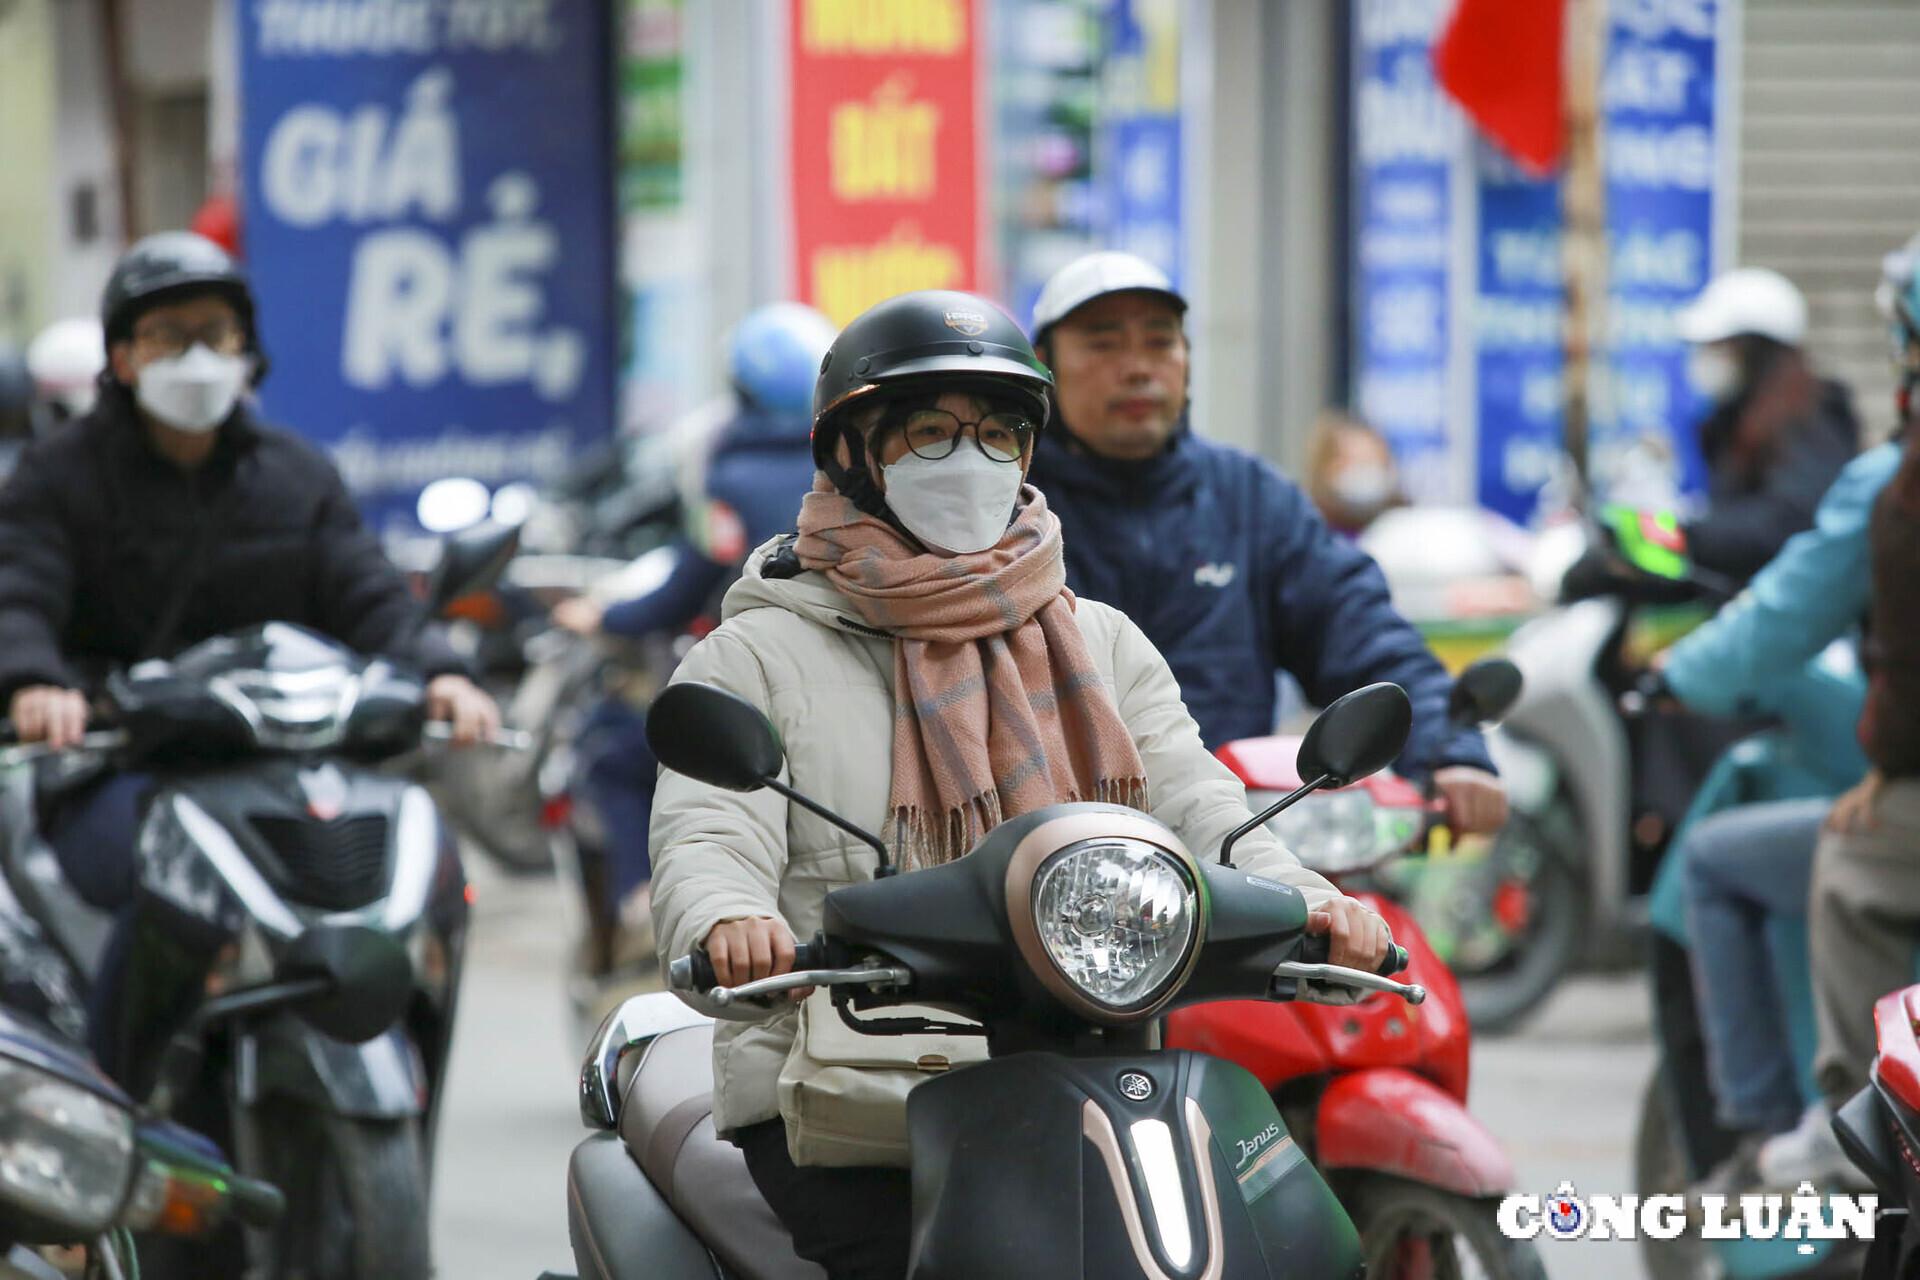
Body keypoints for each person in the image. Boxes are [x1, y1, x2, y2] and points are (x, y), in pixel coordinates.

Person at [650, 289, 1391, 1279]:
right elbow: (710, 833)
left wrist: (1314, 900)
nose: (971, 459)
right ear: (852, 454)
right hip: (851, 1089)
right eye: (930, 433)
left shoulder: (1102, 640)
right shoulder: (754, 657)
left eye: (999, 433)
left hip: (1089, 1065)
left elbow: (1201, 806)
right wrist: (727, 919)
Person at [0, 230, 499, 1076]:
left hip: (287, 765)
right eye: (168, 335)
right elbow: (21, 596)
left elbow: (369, 592)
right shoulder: (57, 476)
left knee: (424, 872)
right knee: (163, 887)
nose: (196, 357)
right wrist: (37, 684)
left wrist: (443, 671)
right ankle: (121, 1107)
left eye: (216, 333)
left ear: (247, 351)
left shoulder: (296, 474)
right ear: (122, 356)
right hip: (117, 767)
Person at [1022, 251, 1506, 835]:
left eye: (1160, 343)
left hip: (1234, 841)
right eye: (1104, 344)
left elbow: (1357, 629)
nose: (1138, 368)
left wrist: (1448, 744)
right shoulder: (1011, 507)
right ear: (1044, 364)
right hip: (1052, 846)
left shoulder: (1251, 500)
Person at [550, 301, 835, 993]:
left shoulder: (728, 480)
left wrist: (605, 617)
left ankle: (636, 902)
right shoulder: (846, 471)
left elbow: (687, 586)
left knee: (612, 754)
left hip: (757, 683)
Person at [1755, 232, 1920, 1188]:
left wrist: (1891, 763)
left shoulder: (1891, 478)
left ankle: (1866, 1119)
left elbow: (1899, 656)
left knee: (1846, 864)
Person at [1674, 266, 1859, 584]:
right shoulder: (1732, 422)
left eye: (1719, 346)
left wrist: (1683, 535)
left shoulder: (1812, 419)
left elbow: (1786, 523)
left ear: (1756, 352)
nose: (1705, 358)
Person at [1305, 410, 1406, 537]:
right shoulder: (1308, 531)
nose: (1366, 474)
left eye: (1373, 462)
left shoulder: (1403, 529)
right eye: (1355, 462)